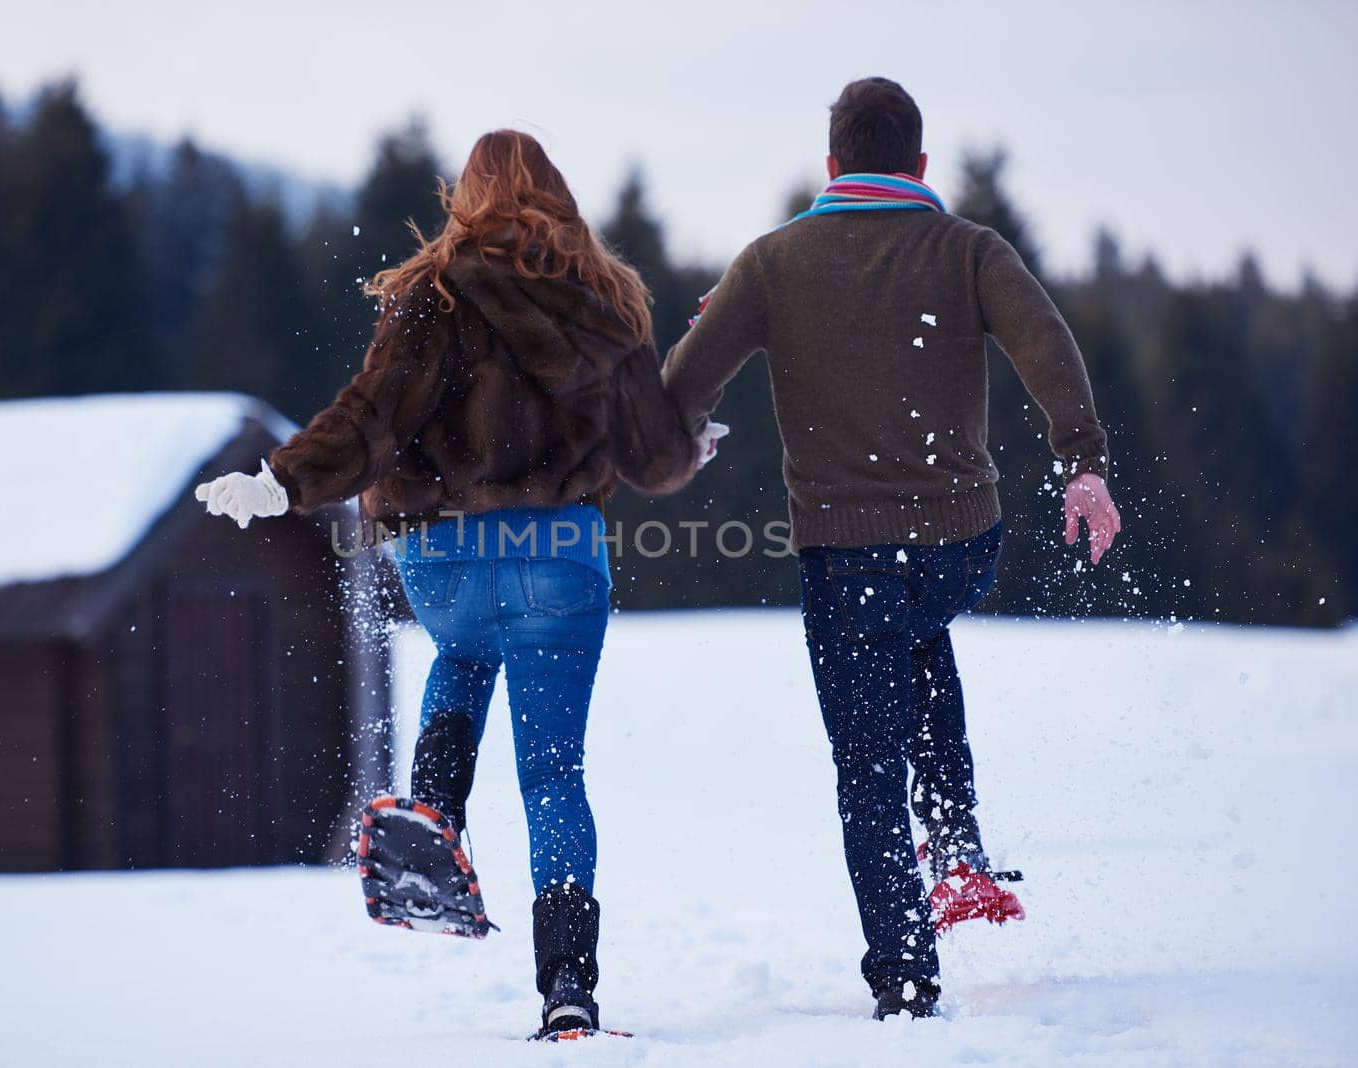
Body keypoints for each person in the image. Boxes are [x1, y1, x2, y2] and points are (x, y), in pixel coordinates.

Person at [193, 129, 715, 1038]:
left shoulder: (431, 295)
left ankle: (431, 807)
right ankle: (568, 990)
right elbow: (653, 457)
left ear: (464, 197)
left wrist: (281, 479)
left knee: (465, 652)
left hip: (439, 556)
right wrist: (688, 449)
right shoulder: (603, 303)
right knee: (554, 776)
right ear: (557, 194)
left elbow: (372, 419)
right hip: (558, 556)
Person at [661, 77, 1122, 1020]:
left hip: (845, 551)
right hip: (963, 542)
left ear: (831, 164)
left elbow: (682, 380)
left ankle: (906, 974)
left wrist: (689, 434)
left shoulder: (772, 263)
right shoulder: (968, 251)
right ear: (918, 166)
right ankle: (955, 850)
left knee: (867, 759)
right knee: (916, 626)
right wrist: (1083, 463)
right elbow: (1047, 343)